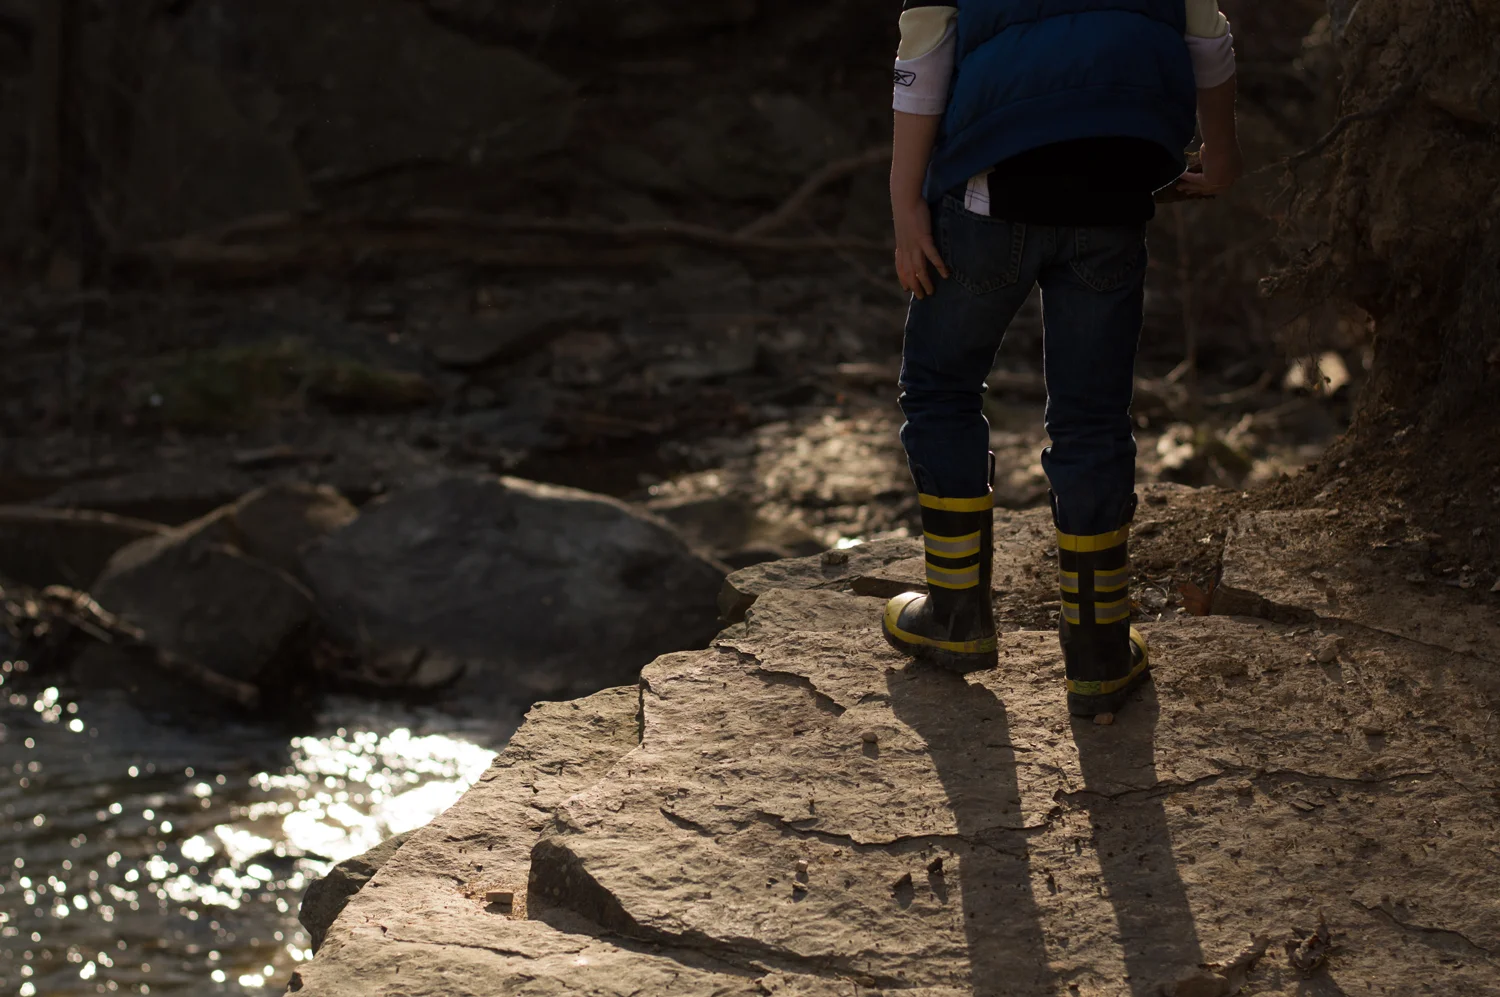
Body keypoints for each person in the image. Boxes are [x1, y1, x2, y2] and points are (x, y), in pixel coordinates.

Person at [879, 0, 1243, 717]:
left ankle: (955, 615)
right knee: (1094, 417)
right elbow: (1210, 40)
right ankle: (1100, 651)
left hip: (991, 194)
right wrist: (1224, 154)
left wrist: (906, 205)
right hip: (1114, 194)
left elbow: (922, 60)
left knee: (942, 387)